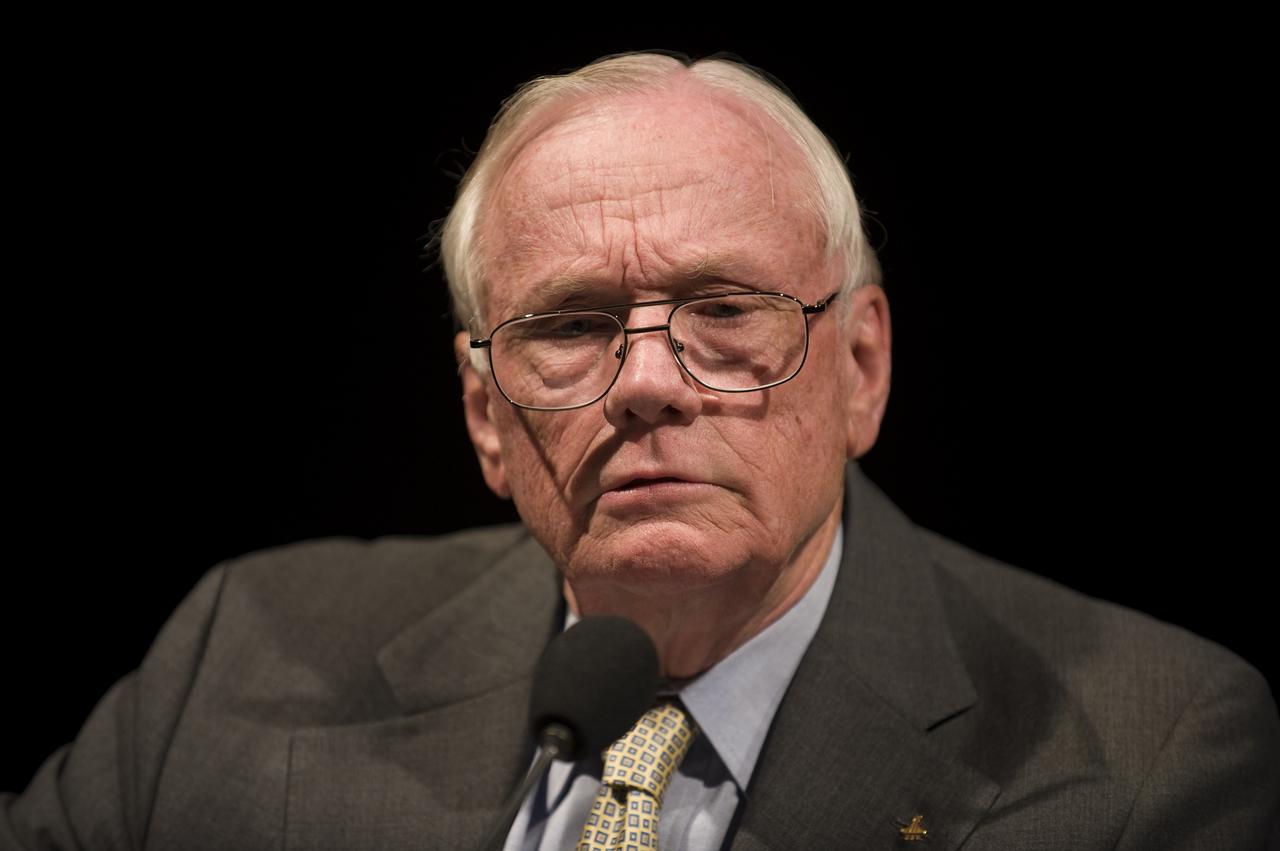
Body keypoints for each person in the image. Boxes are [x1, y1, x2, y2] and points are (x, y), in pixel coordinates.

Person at [4, 50, 1278, 851]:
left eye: (726, 312)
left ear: (861, 367)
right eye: (570, 325)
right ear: (484, 414)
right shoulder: (243, 652)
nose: (652, 384)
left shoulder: (1141, 749)